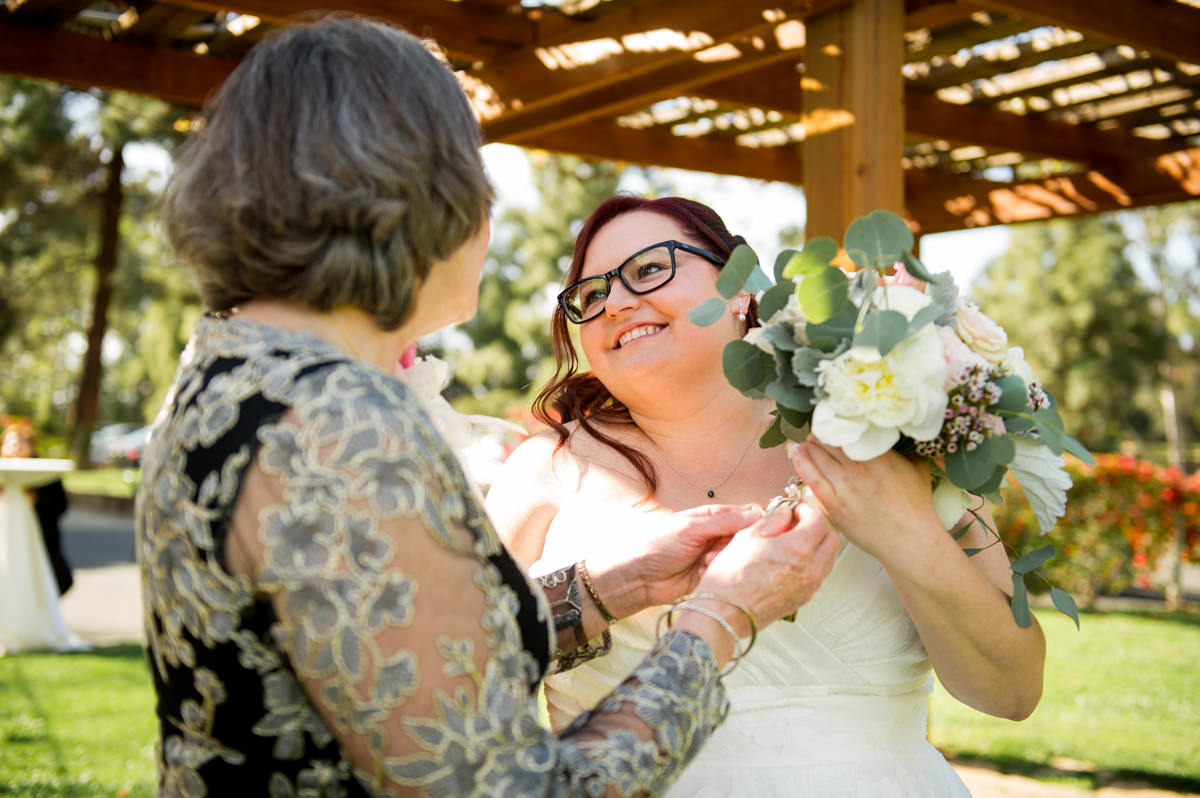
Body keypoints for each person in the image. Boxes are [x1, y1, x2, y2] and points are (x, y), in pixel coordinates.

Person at [140, 16, 839, 797]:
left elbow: (384, 661)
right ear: (416, 189)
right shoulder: (339, 422)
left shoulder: (227, 374)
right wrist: (723, 615)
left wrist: (611, 587)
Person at [487, 195, 1048, 797]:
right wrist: (608, 586)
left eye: (649, 269)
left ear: (739, 287)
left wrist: (905, 532)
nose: (616, 302)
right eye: (590, 296)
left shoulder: (879, 434)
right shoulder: (542, 473)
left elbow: (1011, 692)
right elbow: (452, 674)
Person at [1, 419, 73, 595]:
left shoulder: (44, 474)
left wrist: (36, 500)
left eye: (18, 442)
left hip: (39, 544)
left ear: (30, 446)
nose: (13, 447)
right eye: (9, 443)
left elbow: (60, 506)